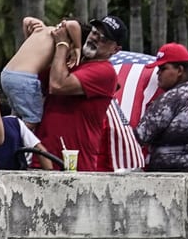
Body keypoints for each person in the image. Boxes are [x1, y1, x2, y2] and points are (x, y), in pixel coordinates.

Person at [39, 15, 127, 173]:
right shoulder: (73, 62)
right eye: (95, 32)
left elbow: (57, 85)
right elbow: (38, 75)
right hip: (45, 155)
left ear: (115, 49)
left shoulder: (105, 72)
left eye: (104, 38)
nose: (95, 38)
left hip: (73, 163)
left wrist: (62, 44)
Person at [133, 44, 188, 173]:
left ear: (179, 70)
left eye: (163, 68)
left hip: (171, 179)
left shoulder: (171, 98)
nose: (158, 73)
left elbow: (140, 136)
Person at [0, 16, 64, 124]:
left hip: (6, 74)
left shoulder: (41, 29)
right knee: (32, 119)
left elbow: (26, 20)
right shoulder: (60, 39)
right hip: (24, 80)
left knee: (16, 116)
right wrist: (77, 48)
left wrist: (28, 37)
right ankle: (12, 139)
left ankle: (8, 132)